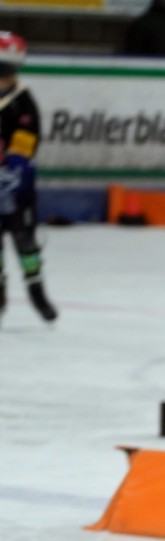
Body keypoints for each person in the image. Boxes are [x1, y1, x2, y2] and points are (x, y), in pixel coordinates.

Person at [0, 31, 57, 326]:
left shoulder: (22, 101)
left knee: (25, 240)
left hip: (15, 185)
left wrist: (15, 167)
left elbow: (27, 138)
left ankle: (36, 289)